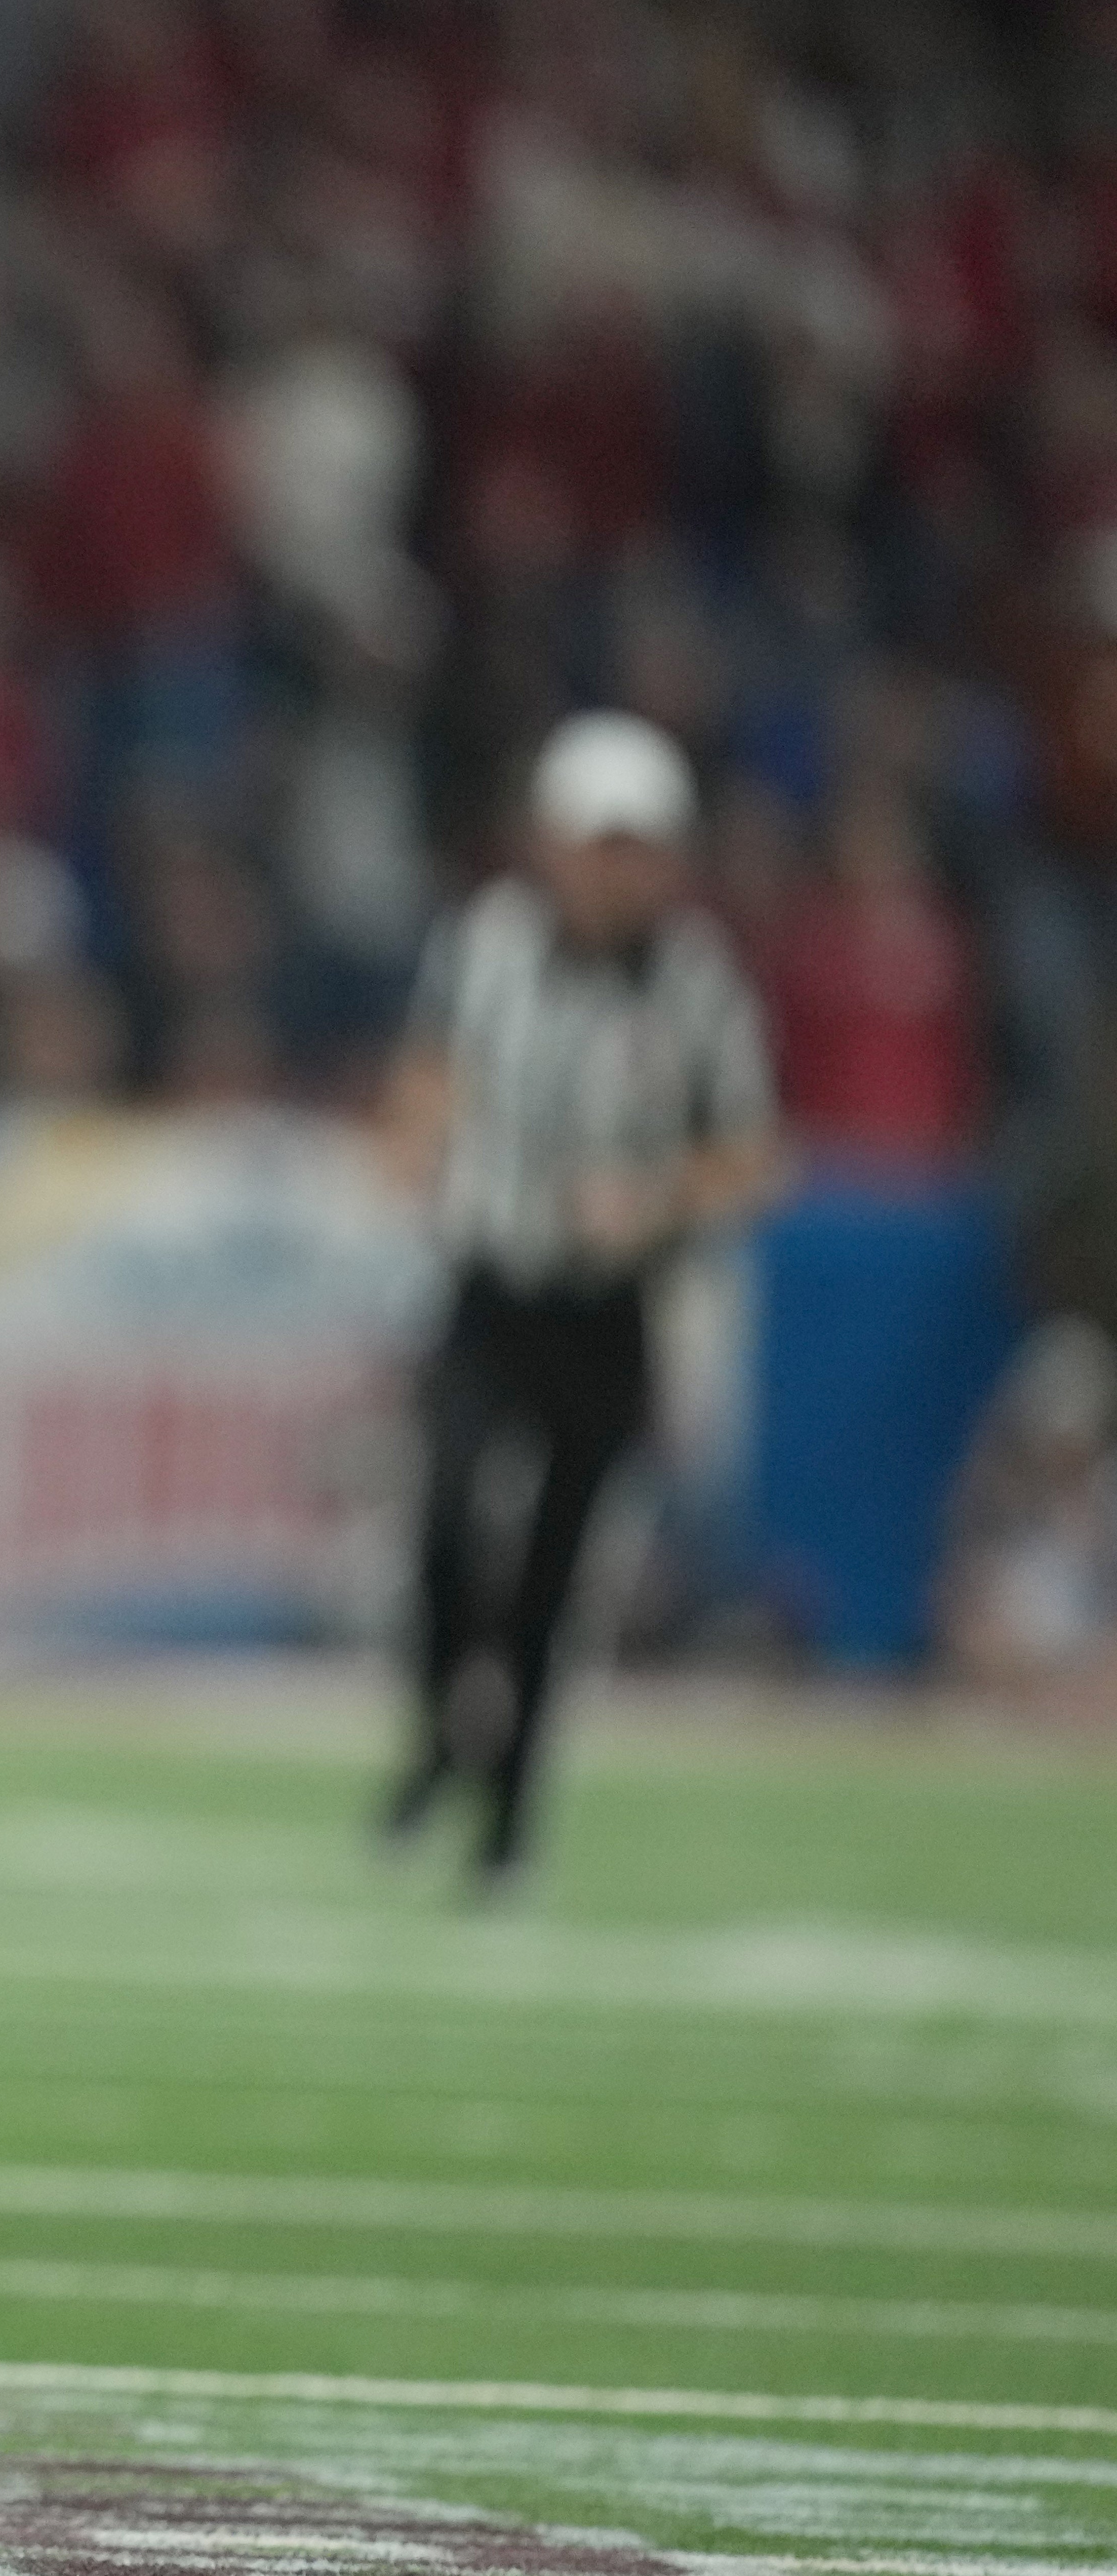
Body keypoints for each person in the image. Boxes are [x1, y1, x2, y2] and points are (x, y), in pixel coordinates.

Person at [378, 711, 785, 1897]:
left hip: (606, 1312)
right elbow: (427, 1070)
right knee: (445, 1523)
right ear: (551, 845)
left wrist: (653, 1198)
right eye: (599, 845)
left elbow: (753, 1152)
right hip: (490, 1285)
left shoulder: (698, 983)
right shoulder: (485, 946)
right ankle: (438, 1737)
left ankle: (505, 1822)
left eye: (637, 848)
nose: (617, 872)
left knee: (553, 1573)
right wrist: (413, 1135)